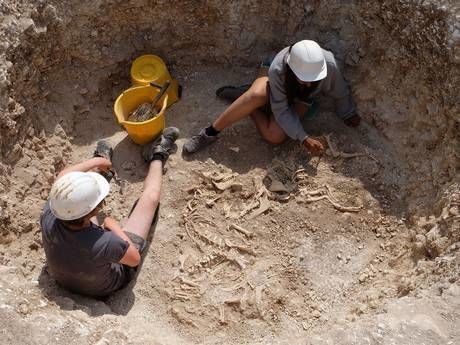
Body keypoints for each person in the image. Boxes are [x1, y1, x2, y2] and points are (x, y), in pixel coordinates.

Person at [40, 127, 179, 297]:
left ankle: (101, 171)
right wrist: (114, 227)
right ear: (94, 210)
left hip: (65, 278)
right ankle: (158, 155)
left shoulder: (50, 213)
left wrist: (96, 162)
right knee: (151, 197)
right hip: (103, 288)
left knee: (77, 205)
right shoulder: (107, 242)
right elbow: (134, 259)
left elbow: (63, 177)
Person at [184, 40, 361, 156]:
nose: (308, 84)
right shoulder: (279, 68)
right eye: (304, 79)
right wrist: (303, 137)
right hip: (273, 82)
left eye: (313, 80)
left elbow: (340, 90)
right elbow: (281, 109)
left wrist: (347, 112)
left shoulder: (328, 65)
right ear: (292, 69)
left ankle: (248, 106)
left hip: (300, 98)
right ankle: (208, 133)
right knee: (256, 95)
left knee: (274, 136)